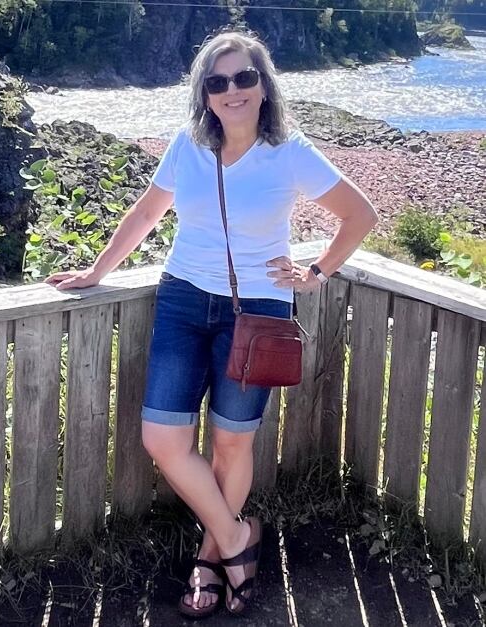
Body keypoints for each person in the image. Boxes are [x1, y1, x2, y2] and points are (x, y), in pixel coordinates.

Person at [46, 31, 377, 619]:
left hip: (258, 311)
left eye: (244, 78)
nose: (232, 91)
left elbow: (360, 215)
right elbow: (148, 211)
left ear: (263, 85)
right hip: (182, 300)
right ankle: (236, 539)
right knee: (163, 439)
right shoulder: (187, 146)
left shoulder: (290, 152)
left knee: (231, 441)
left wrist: (318, 271)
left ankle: (209, 556)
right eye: (218, 81)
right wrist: (97, 270)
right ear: (204, 93)